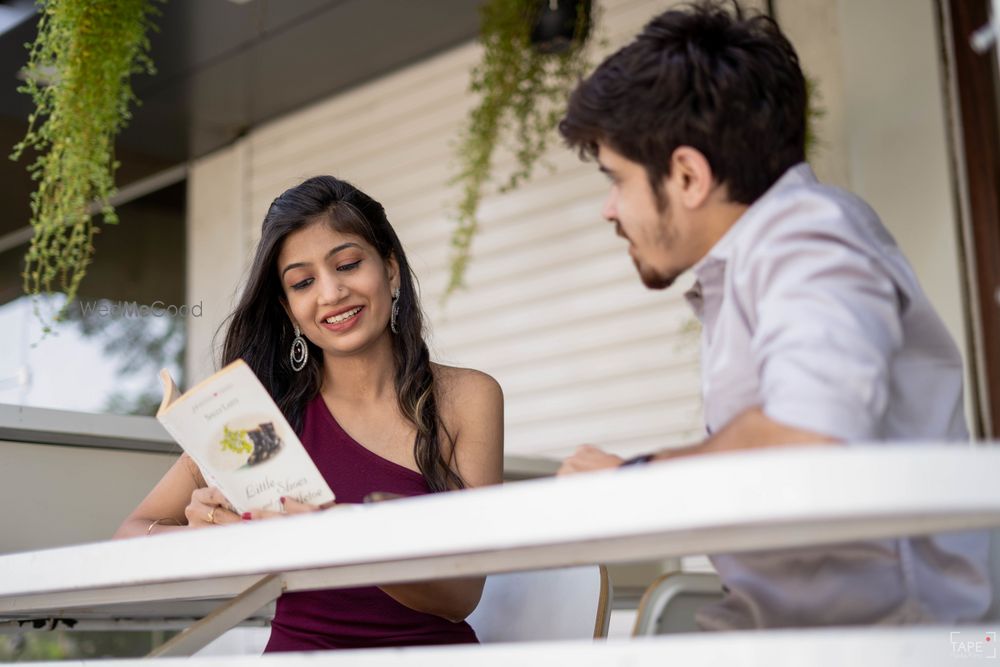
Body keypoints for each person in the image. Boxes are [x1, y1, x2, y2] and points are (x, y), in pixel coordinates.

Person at [555, 1, 991, 629]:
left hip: (892, 642)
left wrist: (632, 477)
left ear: (686, 175)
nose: (609, 209)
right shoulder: (754, 263)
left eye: (616, 178)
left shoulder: (807, 237)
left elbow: (810, 433)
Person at [114, 176, 504, 650]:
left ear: (391, 269)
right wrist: (202, 538)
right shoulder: (261, 412)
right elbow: (128, 537)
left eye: (348, 264)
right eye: (303, 282)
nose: (331, 292)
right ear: (288, 307)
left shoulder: (467, 397)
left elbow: (460, 594)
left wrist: (337, 539)